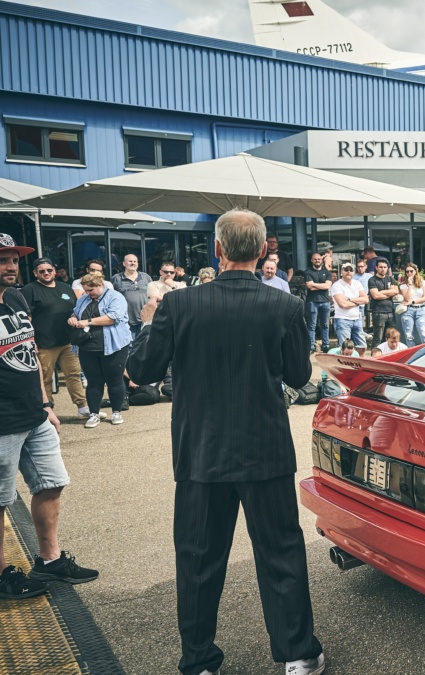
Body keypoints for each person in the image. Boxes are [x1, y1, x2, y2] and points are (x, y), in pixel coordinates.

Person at [126, 208, 324, 675]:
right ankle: (296, 654)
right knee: (280, 552)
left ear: (217, 250)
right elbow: (300, 375)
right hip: (265, 449)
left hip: (201, 451)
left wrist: (149, 322)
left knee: (198, 558)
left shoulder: (179, 305)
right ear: (262, 251)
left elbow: (141, 370)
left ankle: (199, 661)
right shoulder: (285, 306)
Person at [0, 233, 99, 601]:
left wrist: (45, 405)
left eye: (14, 259)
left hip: (34, 414)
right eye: (3, 260)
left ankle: (49, 560)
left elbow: (29, 353)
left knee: (51, 483)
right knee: (1, 501)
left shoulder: (15, 297)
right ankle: (2, 575)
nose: (11, 266)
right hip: (3, 420)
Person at [19, 257, 89, 417]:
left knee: (74, 375)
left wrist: (75, 318)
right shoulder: (29, 290)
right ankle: (47, 409)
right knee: (44, 379)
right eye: (42, 271)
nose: (46, 273)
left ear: (54, 271)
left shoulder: (65, 288)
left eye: (49, 270)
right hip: (44, 343)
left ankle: (82, 407)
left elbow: (75, 309)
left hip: (68, 341)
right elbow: (26, 319)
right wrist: (30, 341)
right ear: (35, 273)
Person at [69, 272, 132, 427]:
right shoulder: (84, 299)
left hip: (113, 346)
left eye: (90, 290)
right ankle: (94, 414)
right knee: (93, 382)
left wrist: (87, 321)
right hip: (88, 347)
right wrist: (73, 318)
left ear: (99, 285)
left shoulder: (115, 297)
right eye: (85, 290)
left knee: (114, 380)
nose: (87, 293)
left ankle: (116, 412)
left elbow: (112, 318)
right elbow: (76, 312)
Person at [111, 253, 151, 339]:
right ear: (124, 263)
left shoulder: (146, 277)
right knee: (129, 344)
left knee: (144, 343)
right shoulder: (116, 278)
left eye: (135, 261)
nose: (133, 263)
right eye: (130, 261)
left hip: (145, 319)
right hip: (125, 319)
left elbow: (152, 295)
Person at [330, 261, 368, 351]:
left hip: (357, 319)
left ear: (353, 272)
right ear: (341, 272)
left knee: (362, 347)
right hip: (343, 320)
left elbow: (366, 300)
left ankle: (358, 361)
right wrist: (358, 301)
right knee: (345, 349)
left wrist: (350, 299)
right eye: (346, 269)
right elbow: (342, 304)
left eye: (351, 270)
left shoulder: (357, 283)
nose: (348, 272)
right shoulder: (336, 285)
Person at [303, 253, 333, 354]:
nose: (317, 261)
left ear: (322, 260)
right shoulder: (307, 272)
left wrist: (314, 285)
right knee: (312, 325)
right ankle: (311, 346)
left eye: (319, 259)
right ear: (311, 260)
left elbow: (327, 286)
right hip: (312, 301)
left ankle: (326, 345)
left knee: (325, 325)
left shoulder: (327, 272)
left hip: (325, 301)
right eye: (315, 259)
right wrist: (322, 285)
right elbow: (309, 286)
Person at [367, 259, 396, 350]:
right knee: (378, 338)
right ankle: (375, 356)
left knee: (391, 337)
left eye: (385, 267)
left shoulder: (390, 279)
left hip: (391, 312)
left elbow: (396, 291)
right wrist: (389, 293)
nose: (383, 269)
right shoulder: (372, 280)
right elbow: (375, 295)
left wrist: (381, 292)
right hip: (378, 312)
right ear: (376, 268)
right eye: (381, 267)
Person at [400, 263, 425, 347]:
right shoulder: (403, 285)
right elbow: (407, 298)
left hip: (420, 309)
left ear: (416, 271)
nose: (409, 273)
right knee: (409, 336)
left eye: (411, 271)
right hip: (408, 311)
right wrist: (409, 285)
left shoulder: (422, 282)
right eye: (407, 272)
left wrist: (413, 302)